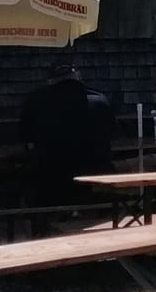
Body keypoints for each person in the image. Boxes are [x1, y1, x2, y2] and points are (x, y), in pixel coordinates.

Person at [18, 64, 116, 203]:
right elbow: (112, 132)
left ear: (51, 81)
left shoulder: (35, 101)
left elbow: (24, 136)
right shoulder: (100, 101)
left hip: (50, 172)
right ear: (78, 78)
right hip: (96, 169)